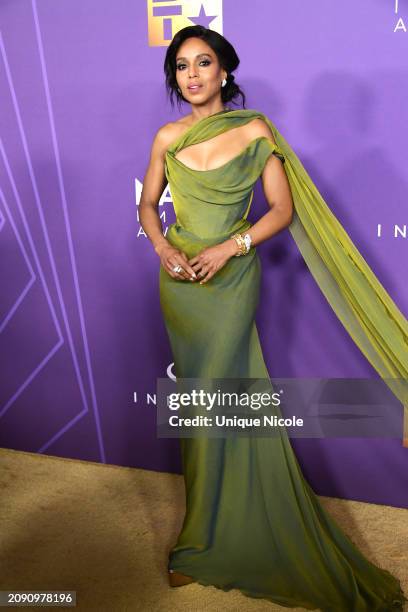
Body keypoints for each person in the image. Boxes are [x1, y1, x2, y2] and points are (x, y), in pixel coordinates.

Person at [139, 25, 408, 611]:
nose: (192, 75)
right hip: (181, 284)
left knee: (227, 394)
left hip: (231, 279)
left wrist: (229, 247)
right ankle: (199, 535)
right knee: (199, 405)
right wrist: (163, 247)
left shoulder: (253, 130)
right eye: (181, 67)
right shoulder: (166, 136)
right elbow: (147, 206)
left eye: (203, 62)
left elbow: (281, 211)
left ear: (225, 72)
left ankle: (226, 530)